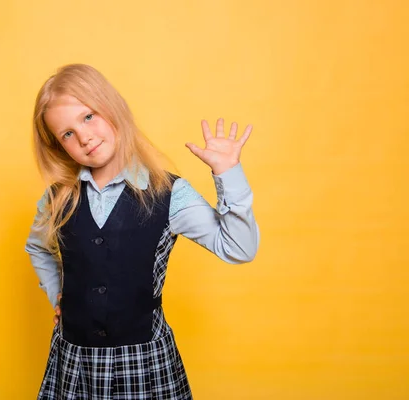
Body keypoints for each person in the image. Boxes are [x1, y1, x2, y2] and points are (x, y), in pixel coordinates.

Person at [25, 63, 259, 399]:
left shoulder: (170, 193)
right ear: (59, 146)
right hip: (75, 361)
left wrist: (229, 174)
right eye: (67, 134)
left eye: (88, 117)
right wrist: (58, 294)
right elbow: (38, 247)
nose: (84, 137)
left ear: (111, 107)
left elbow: (239, 247)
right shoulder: (56, 200)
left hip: (144, 360)